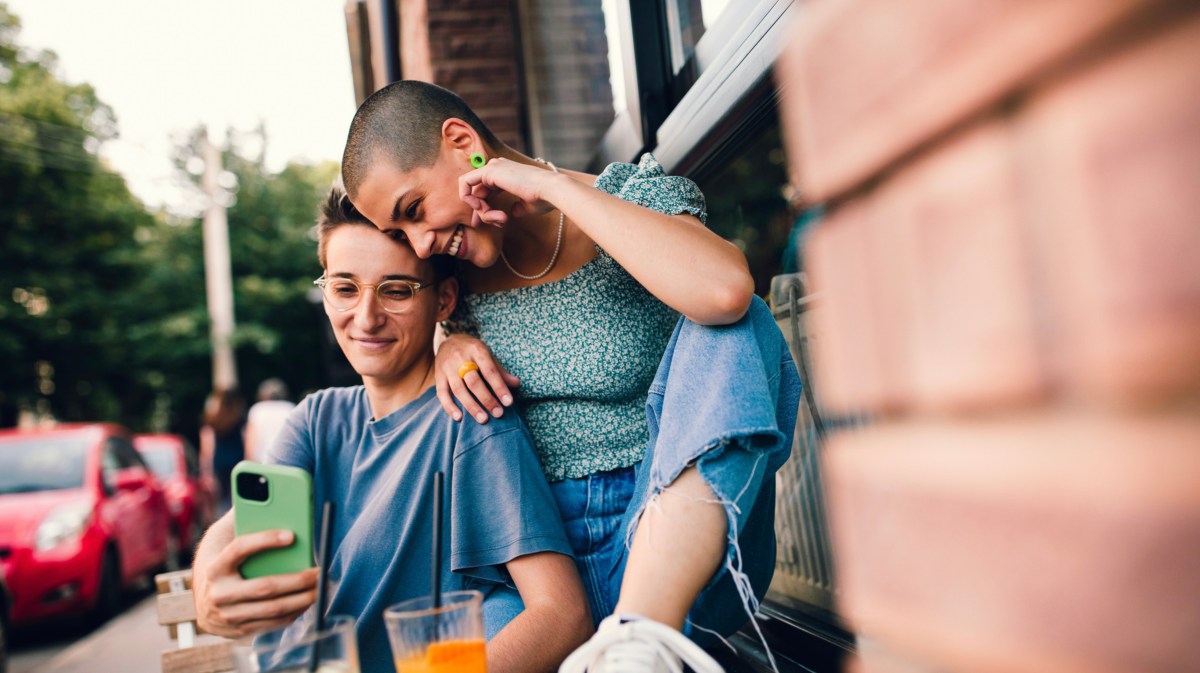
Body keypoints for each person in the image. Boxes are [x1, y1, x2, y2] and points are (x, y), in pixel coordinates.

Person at [341, 81, 800, 673]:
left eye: (414, 210)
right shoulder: (451, 286)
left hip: (671, 551)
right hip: (538, 586)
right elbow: (379, 370)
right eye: (401, 234)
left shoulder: (635, 195)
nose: (421, 242)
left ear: (462, 143)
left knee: (738, 321)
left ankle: (640, 638)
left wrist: (553, 186)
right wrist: (444, 346)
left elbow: (725, 291)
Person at [190, 187, 593, 673]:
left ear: (444, 300)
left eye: (396, 290)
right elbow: (234, 528)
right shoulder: (316, 419)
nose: (366, 317)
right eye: (344, 288)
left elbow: (563, 615)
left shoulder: (472, 413)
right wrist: (206, 588)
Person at [199, 387, 247, 514]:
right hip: (237, 464)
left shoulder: (213, 420)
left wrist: (206, 472)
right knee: (236, 503)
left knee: (219, 505)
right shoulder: (239, 419)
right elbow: (247, 441)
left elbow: (207, 449)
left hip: (219, 465)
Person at [244, 377, 296, 463]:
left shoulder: (257, 410)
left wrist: (249, 463)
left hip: (263, 463)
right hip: (287, 462)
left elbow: (250, 443)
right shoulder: (290, 407)